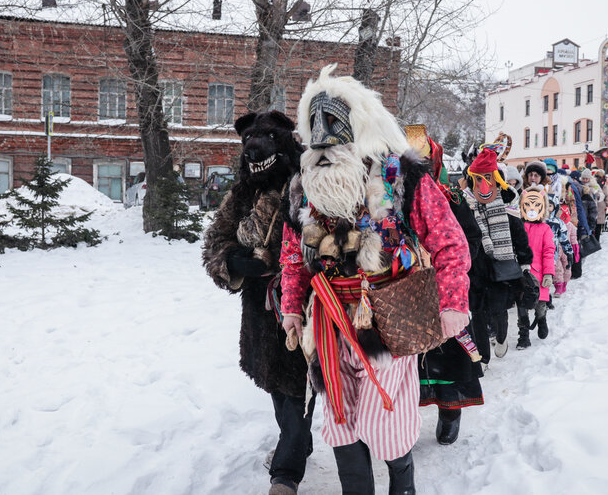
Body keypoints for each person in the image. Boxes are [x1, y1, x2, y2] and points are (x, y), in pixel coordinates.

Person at [279, 65, 472, 494]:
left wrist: (455, 303)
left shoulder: (400, 176)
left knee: (388, 422)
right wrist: (292, 307)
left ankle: (403, 488)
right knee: (341, 418)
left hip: (388, 316)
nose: (325, 140)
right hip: (328, 322)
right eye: (317, 127)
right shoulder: (301, 186)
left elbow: (450, 242)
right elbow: (293, 255)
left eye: (335, 126)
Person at [202, 111, 314, 495]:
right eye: (251, 137)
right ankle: (297, 443)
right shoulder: (242, 192)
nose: (256, 144)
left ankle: (286, 473)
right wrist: (233, 262)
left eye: (266, 136)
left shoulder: (308, 184)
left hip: (304, 303)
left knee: (299, 384)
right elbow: (216, 241)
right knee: (276, 385)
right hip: (258, 306)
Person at [406, 128, 484, 446]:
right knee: (409, 364)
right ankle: (401, 424)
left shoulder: (452, 199)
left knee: (450, 359)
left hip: (445, 290)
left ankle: (450, 412)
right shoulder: (395, 196)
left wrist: (448, 270)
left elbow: (470, 241)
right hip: (409, 292)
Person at [463, 149, 533, 366]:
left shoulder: (506, 205)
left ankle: (501, 337)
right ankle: (483, 357)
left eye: (488, 178)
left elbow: (520, 237)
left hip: (500, 268)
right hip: (475, 269)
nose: (484, 184)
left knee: (497, 310)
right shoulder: (465, 205)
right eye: (478, 179)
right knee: (477, 312)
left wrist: (525, 264)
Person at [517, 185, 556, 349]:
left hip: (539, 275)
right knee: (521, 305)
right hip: (521, 274)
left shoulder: (545, 229)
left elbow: (549, 251)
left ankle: (541, 319)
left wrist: (548, 273)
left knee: (540, 304)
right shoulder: (518, 226)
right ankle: (524, 335)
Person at [546, 193, 573, 296]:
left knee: (550, 274)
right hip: (537, 253)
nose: (547, 208)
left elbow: (564, 240)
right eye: (544, 205)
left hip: (552, 254)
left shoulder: (558, 223)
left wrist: (569, 252)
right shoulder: (537, 221)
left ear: (555, 207)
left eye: (550, 205)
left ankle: (547, 298)